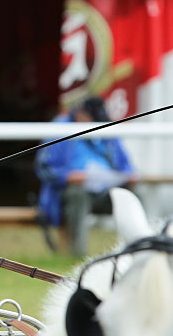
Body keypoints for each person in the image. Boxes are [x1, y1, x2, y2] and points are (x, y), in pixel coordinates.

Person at [35, 96, 135, 257]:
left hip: (105, 191)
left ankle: (135, 250)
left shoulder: (105, 128)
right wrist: (67, 177)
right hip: (70, 192)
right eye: (92, 121)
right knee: (77, 194)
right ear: (81, 114)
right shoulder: (60, 128)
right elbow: (44, 168)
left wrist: (129, 175)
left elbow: (126, 165)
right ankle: (78, 256)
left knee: (133, 196)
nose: (96, 125)